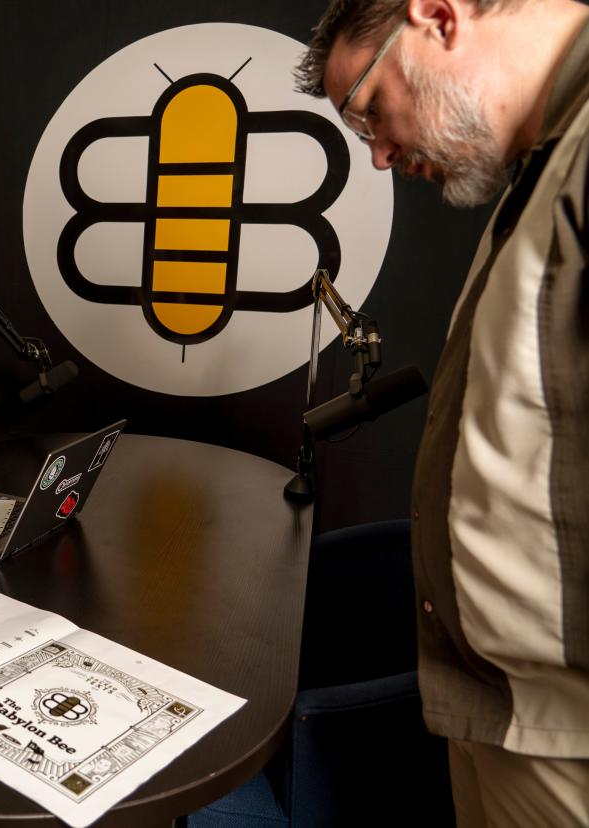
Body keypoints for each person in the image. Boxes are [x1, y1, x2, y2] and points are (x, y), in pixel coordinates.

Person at [296, 0, 589, 823]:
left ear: (435, 17)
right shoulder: (541, 172)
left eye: (367, 112)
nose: (382, 155)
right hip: (514, 722)